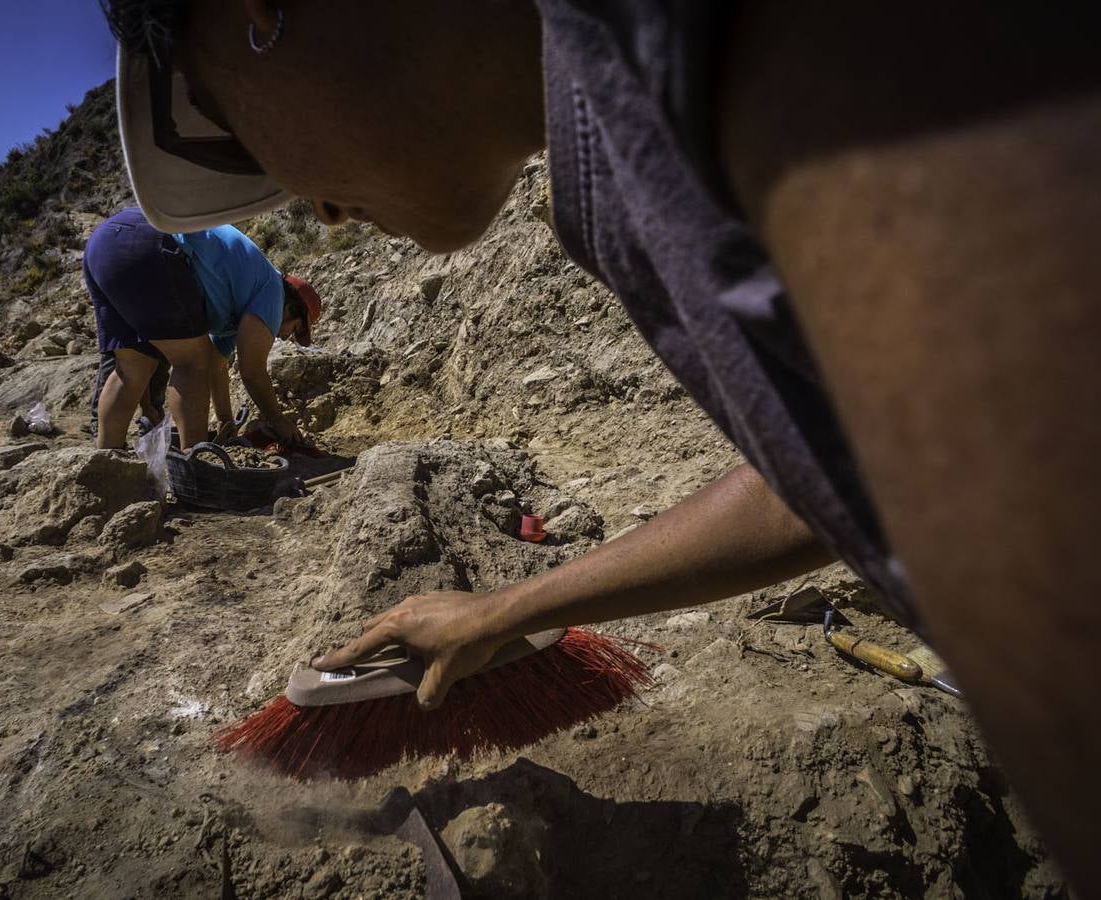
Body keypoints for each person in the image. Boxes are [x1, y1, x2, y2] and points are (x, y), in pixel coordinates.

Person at [100, 0, 1101, 887]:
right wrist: (508, 607)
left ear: (257, 12)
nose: (302, 205)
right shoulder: (621, 133)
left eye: (234, 135)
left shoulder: (703, 43)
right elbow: (838, 465)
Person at [84, 207, 321, 450]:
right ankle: (196, 465)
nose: (285, 336)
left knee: (132, 370)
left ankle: (106, 466)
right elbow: (252, 372)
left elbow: (216, 366)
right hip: (152, 240)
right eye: (294, 329)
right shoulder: (273, 290)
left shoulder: (238, 300)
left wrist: (225, 421)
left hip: (105, 243)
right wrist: (277, 419)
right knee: (192, 363)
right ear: (292, 308)